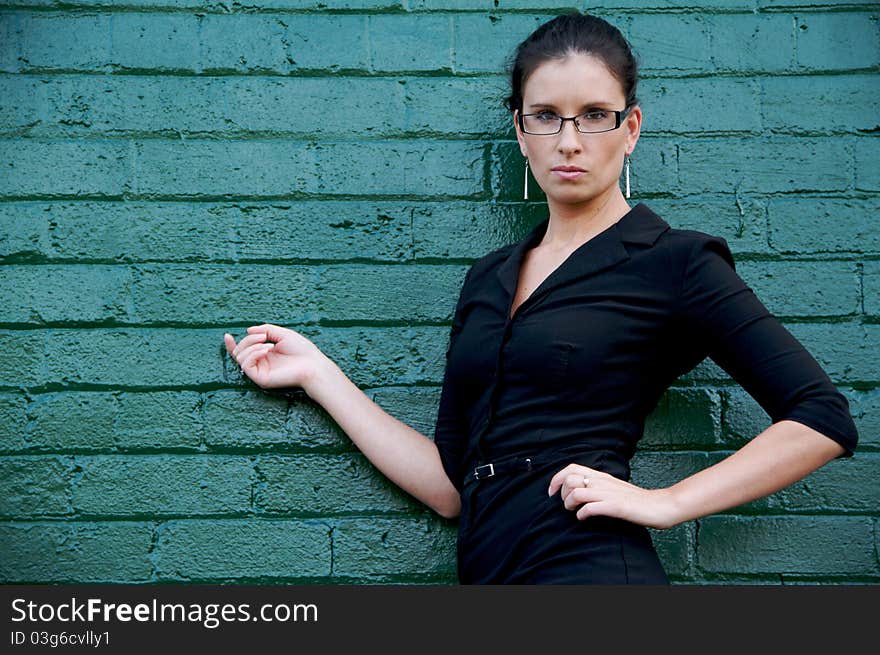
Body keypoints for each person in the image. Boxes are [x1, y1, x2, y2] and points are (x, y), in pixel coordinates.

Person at [223, 12, 859, 584]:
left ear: (630, 128)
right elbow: (451, 489)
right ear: (521, 132)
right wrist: (320, 376)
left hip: (589, 570)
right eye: (546, 117)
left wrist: (667, 502)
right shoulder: (488, 279)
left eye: (595, 116)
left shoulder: (674, 261)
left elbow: (821, 417)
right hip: (490, 568)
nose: (570, 140)